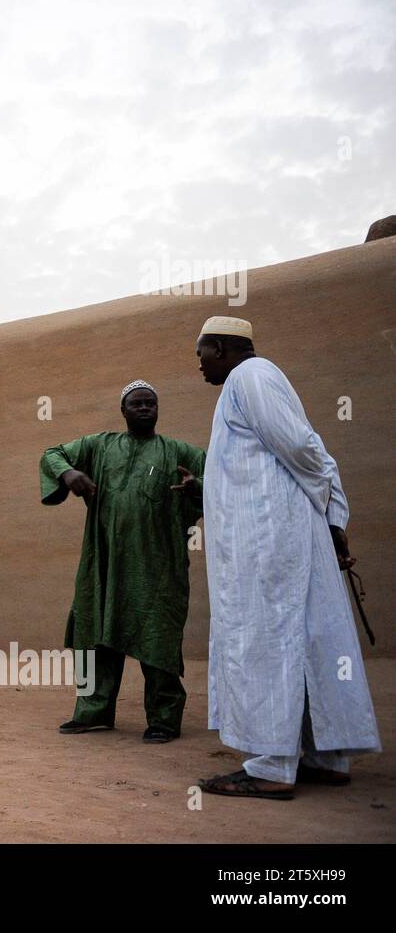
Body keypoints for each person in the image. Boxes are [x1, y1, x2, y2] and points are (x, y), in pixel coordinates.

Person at [192, 317, 380, 799]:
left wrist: (329, 508)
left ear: (220, 346)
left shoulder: (249, 376)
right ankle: (326, 756)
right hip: (282, 539)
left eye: (202, 353)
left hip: (269, 542)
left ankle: (271, 766)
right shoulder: (255, 379)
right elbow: (301, 447)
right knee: (309, 638)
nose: (199, 364)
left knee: (265, 640)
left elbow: (300, 447)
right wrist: (331, 517)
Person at [40, 380, 206, 743]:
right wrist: (69, 474)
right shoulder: (100, 446)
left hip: (157, 568)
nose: (145, 408)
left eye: (150, 403)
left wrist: (199, 486)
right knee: (91, 634)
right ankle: (91, 711)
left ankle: (163, 719)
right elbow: (52, 454)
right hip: (102, 563)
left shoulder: (177, 451)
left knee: (158, 638)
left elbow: (224, 478)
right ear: (123, 410)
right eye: (137, 404)